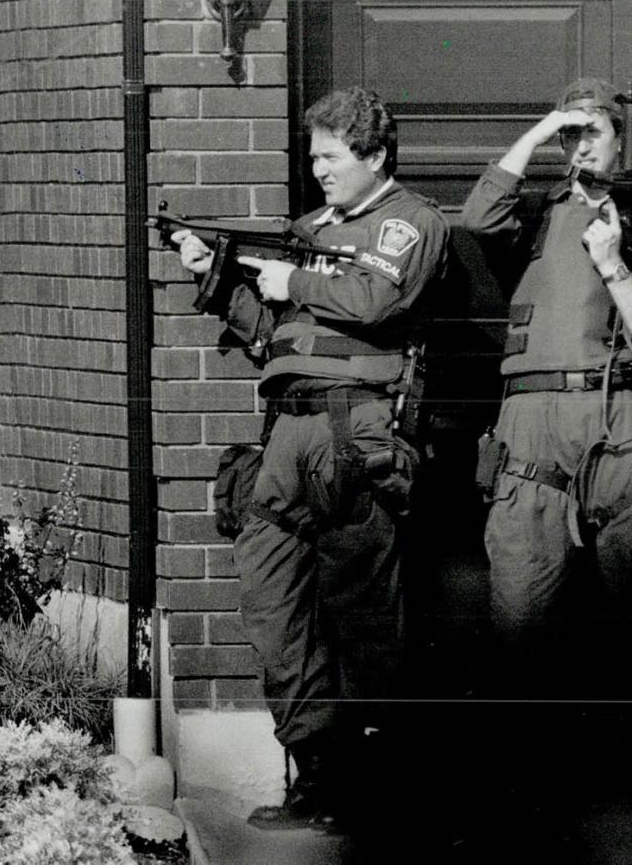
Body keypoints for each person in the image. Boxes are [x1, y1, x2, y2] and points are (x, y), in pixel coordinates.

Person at [172, 86, 448, 831]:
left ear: (374, 155)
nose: (318, 169)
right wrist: (217, 275)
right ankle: (318, 776)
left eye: (331, 156)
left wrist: (291, 278)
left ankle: (378, 790)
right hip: (284, 435)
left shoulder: (409, 222)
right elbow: (271, 337)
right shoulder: (309, 230)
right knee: (274, 609)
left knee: (365, 618)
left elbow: (375, 303)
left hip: (351, 431)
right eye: (314, 156)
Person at [460, 77, 632, 692]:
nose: (580, 146)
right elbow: (478, 214)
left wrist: (614, 263)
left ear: (623, 140)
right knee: (520, 613)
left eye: (593, 132)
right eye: (569, 135)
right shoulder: (537, 216)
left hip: (616, 419)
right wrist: (545, 128)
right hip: (530, 426)